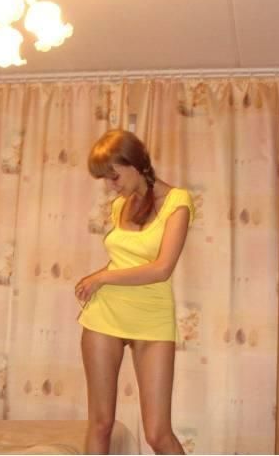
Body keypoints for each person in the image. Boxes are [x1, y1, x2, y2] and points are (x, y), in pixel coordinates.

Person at [75, 129, 194, 455]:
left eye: (113, 176)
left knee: (158, 434)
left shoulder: (177, 202)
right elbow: (125, 260)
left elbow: (162, 268)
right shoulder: (120, 207)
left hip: (152, 319)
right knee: (100, 424)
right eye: (104, 179)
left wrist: (102, 277)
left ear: (136, 164)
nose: (109, 186)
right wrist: (99, 277)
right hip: (105, 316)